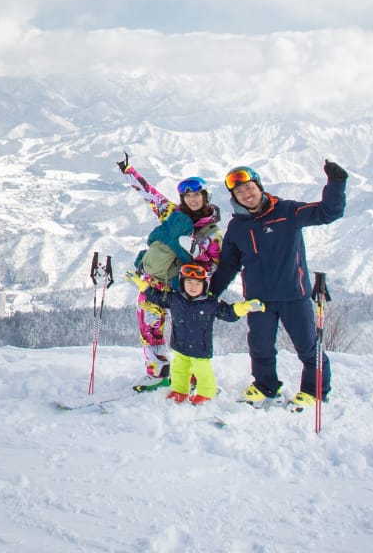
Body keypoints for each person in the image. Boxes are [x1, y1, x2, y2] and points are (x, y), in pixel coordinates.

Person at [208, 161, 348, 409]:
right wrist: (209, 295)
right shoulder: (237, 226)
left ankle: (314, 391)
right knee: (260, 347)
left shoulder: (287, 211)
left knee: (308, 348)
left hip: (294, 296)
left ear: (259, 186)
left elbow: (328, 212)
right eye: (239, 192)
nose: (246, 195)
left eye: (249, 188)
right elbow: (229, 265)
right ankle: (265, 386)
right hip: (258, 301)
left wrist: (336, 183)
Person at [117, 155, 226, 380]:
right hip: (154, 282)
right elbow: (151, 196)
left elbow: (212, 267)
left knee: (188, 335)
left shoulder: (212, 233)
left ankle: (193, 377)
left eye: (197, 195)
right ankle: (157, 372)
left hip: (184, 290)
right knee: (149, 329)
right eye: (188, 195)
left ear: (206, 197)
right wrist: (130, 173)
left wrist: (197, 254)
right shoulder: (173, 215)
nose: (193, 199)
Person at [126, 263, 264, 403]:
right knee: (179, 370)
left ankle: (206, 394)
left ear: (204, 285)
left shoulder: (210, 303)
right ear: (182, 282)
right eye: (189, 282)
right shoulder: (175, 299)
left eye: (197, 283)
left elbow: (228, 312)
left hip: (200, 349)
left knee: (203, 373)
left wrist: (245, 307)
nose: (193, 286)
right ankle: (179, 391)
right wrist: (140, 284)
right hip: (179, 346)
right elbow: (156, 297)